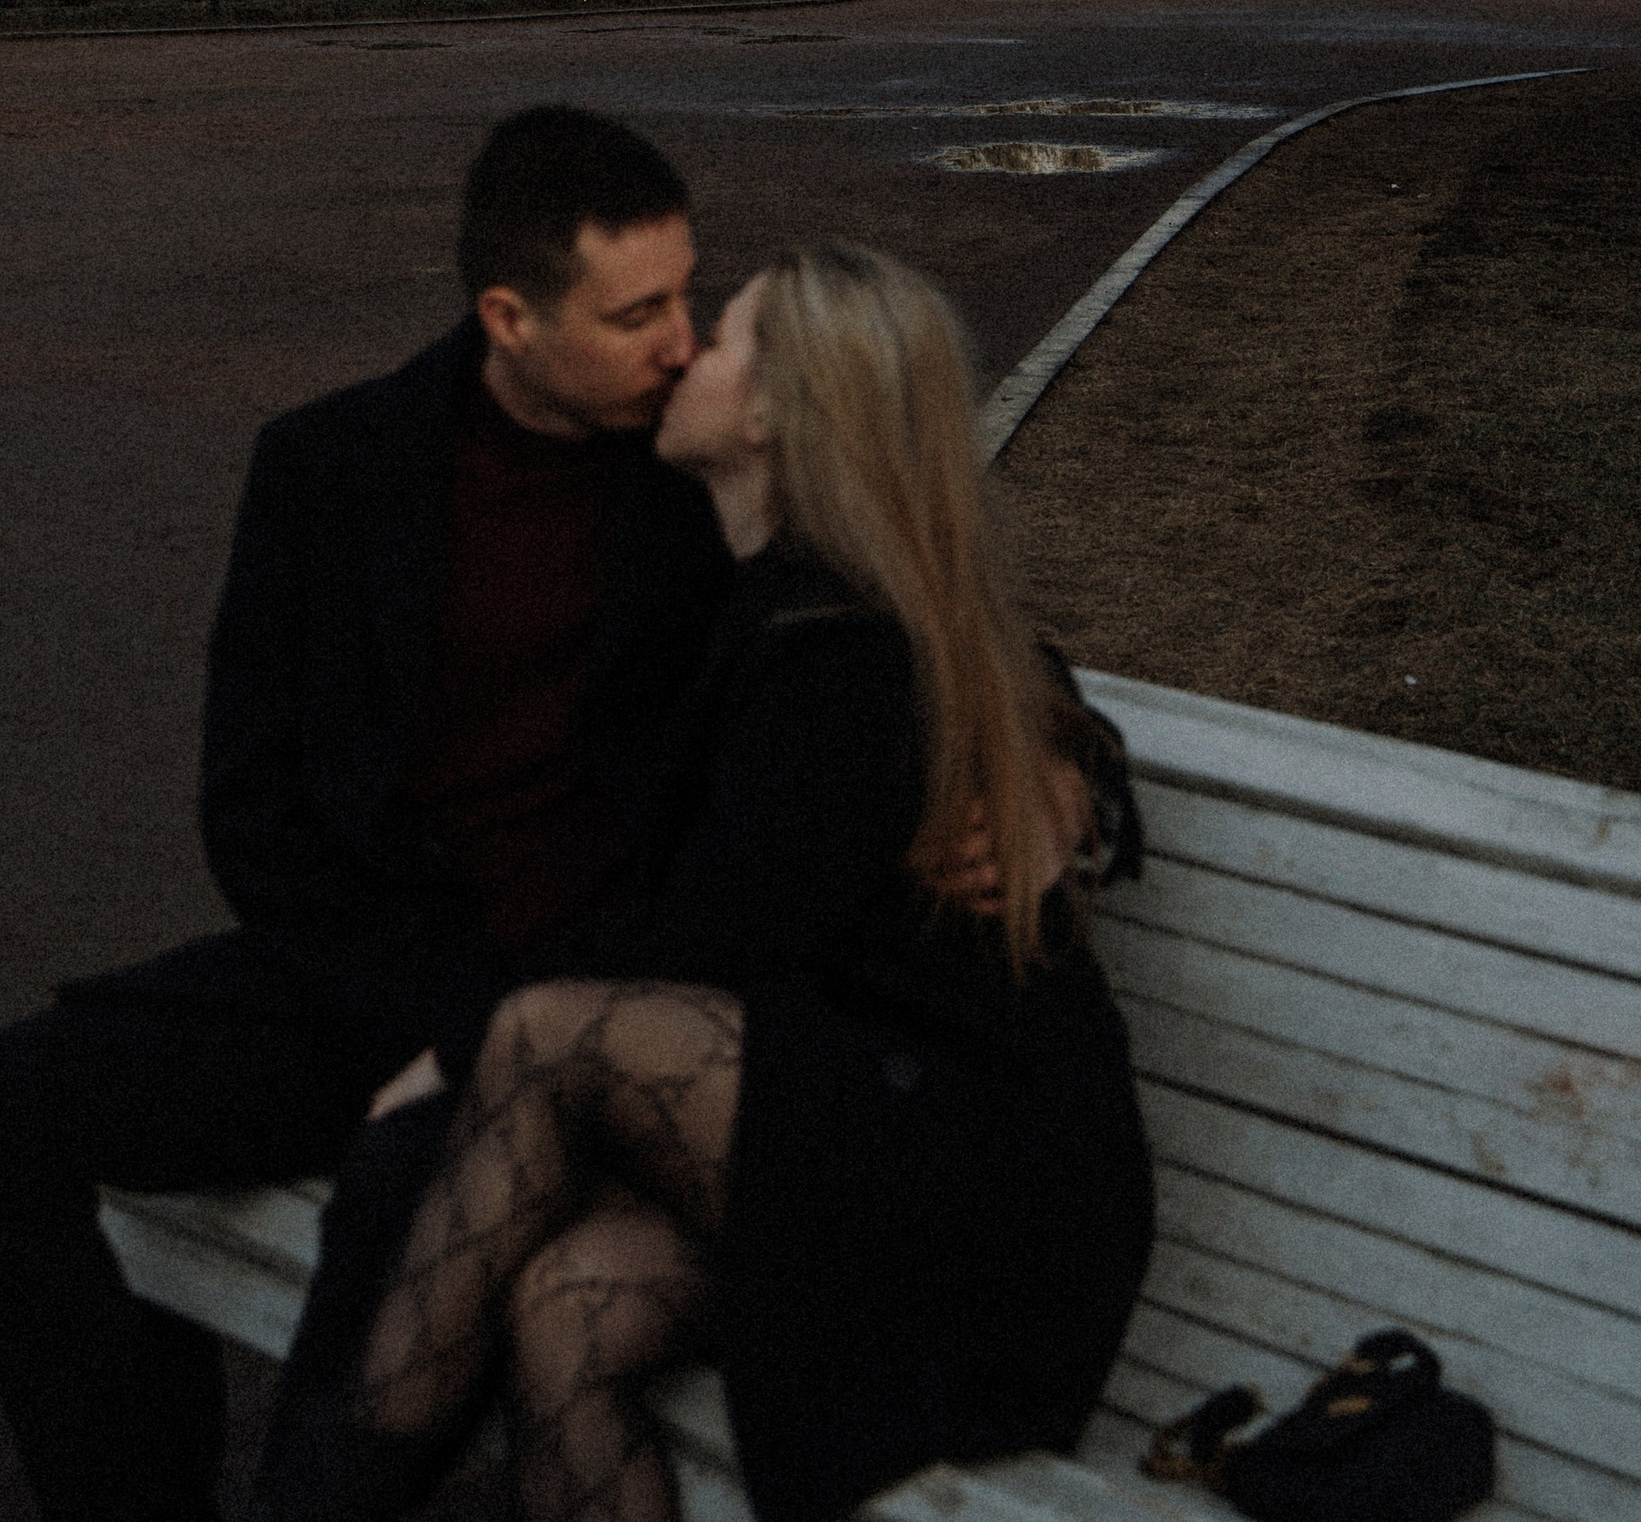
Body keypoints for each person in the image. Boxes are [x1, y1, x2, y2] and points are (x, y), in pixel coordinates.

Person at [0, 107, 731, 1522]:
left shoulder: (706, 470)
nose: (682, 344)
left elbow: (903, 595)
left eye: (686, 297)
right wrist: (418, 1009)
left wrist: (1050, 725)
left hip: (590, 1021)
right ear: (508, 317)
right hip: (361, 980)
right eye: (637, 312)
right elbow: (252, 809)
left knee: (397, 1219)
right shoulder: (335, 469)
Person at [336, 245, 1155, 1522]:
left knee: (540, 1036)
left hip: (984, 1182)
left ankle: (336, 1488)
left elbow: (704, 936)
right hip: (855, 1111)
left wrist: (1071, 783)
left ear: (776, 412)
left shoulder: (845, 649)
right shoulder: (760, 575)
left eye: (718, 339)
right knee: (564, 1309)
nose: (682, 353)